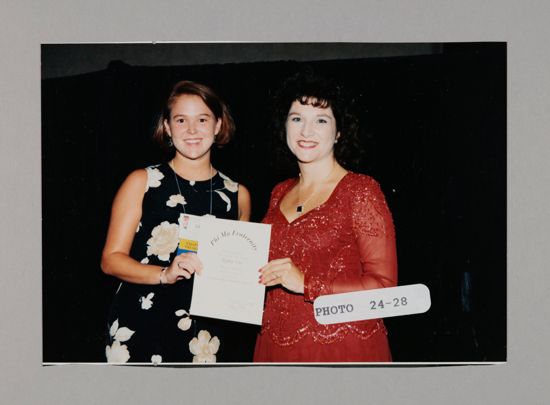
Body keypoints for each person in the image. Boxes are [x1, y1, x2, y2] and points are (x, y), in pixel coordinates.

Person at [101, 80, 255, 364]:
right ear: (168, 127)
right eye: (181, 120)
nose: (192, 130)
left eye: (202, 119)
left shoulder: (237, 194)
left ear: (218, 125)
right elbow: (110, 260)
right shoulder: (142, 182)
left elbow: (238, 275)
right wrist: (164, 274)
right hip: (141, 323)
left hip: (205, 338)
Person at [254, 71, 398, 362]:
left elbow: (384, 288)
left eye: (321, 120)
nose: (306, 131)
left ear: (339, 132)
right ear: (284, 127)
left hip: (340, 349)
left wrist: (307, 283)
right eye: (297, 119)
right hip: (274, 348)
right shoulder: (279, 192)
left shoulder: (361, 190)